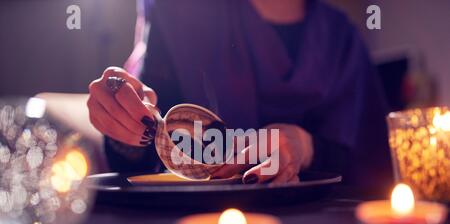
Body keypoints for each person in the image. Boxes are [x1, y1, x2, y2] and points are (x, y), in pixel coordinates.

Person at [87, 0, 391, 186]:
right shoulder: (179, 13)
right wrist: (125, 123)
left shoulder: (341, 37)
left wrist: (306, 146)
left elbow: (371, 167)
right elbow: (143, 157)